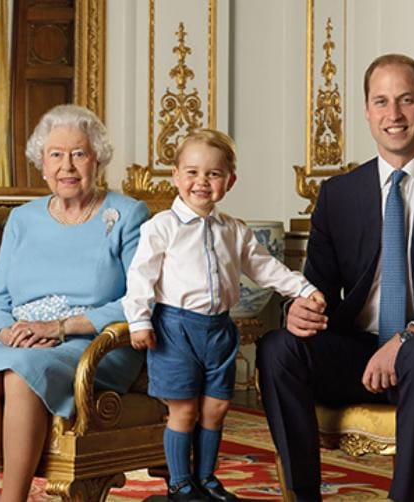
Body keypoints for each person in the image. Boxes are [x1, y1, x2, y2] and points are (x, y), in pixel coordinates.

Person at [257, 53, 414, 502]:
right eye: (381, 101)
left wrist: (408, 336)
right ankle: (304, 496)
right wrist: (298, 309)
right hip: (358, 353)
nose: (393, 114)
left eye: (406, 100)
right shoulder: (338, 193)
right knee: (278, 347)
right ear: (367, 111)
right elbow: (316, 286)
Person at [0, 104, 149, 502]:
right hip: (22, 341)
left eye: (79, 153)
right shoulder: (23, 219)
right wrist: (6, 332)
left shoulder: (128, 214)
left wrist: (61, 328)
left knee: (20, 373)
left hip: (94, 344)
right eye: (56, 154)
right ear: (42, 163)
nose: (67, 166)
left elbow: (139, 301)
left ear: (98, 160)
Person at [122, 128, 324, 502]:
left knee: (215, 409)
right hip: (175, 330)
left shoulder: (234, 230)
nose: (202, 181)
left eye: (213, 174)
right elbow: (140, 276)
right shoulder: (161, 227)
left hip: (219, 331)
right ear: (176, 176)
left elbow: (265, 267)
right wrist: (139, 320)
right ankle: (180, 483)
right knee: (184, 411)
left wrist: (303, 289)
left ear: (229, 181)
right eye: (192, 172)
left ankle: (206, 477)